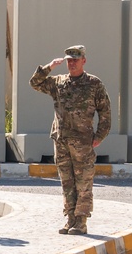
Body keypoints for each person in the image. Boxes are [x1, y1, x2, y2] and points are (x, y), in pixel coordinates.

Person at [30, 45, 111, 235]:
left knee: (83, 182)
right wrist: (49, 66)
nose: (72, 63)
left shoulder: (94, 84)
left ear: (84, 60)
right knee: (66, 181)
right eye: (69, 60)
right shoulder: (58, 82)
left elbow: (105, 112)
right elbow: (34, 82)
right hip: (62, 141)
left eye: (75, 59)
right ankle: (70, 219)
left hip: (83, 142)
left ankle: (81, 221)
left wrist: (99, 136)